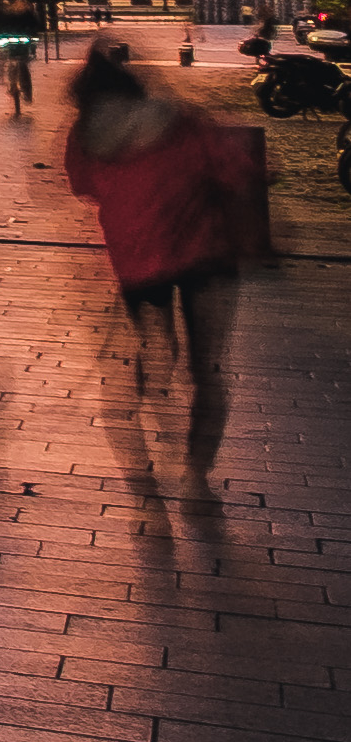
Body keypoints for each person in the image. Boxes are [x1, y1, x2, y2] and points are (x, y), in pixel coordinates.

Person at [62, 35, 271, 478]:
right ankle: (196, 471)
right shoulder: (180, 121)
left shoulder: (84, 136)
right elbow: (236, 169)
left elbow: (82, 185)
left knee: (156, 346)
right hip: (205, 253)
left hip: (137, 259)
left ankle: (146, 402)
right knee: (207, 365)